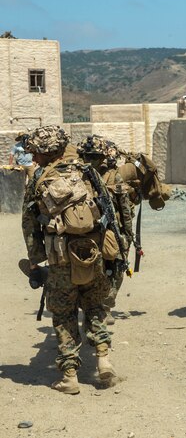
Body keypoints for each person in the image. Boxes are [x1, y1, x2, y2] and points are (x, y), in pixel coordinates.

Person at [21, 125, 117, 394]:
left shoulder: (41, 178)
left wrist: (34, 261)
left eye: (36, 152)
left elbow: (29, 223)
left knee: (63, 315)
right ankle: (103, 360)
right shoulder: (89, 172)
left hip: (60, 259)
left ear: (46, 152)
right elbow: (109, 212)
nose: (34, 158)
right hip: (93, 254)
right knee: (95, 306)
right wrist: (112, 254)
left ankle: (70, 376)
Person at [77, 135, 133, 325]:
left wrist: (127, 235)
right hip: (85, 233)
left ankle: (106, 306)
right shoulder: (76, 177)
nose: (92, 161)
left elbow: (124, 208)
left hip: (110, 231)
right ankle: (91, 308)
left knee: (116, 268)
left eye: (96, 156)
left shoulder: (112, 176)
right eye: (88, 156)